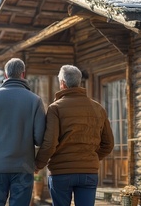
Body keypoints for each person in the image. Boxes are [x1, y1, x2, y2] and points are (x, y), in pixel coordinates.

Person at [34, 65, 114, 206]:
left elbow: (50, 143)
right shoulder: (98, 108)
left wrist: (37, 165)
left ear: (62, 83)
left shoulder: (55, 108)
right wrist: (91, 158)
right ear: (78, 82)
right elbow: (108, 144)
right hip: (88, 172)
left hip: (61, 172)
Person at [0, 58, 46, 206]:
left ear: (6, 75)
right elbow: (39, 138)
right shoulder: (35, 101)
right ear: (23, 74)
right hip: (24, 168)